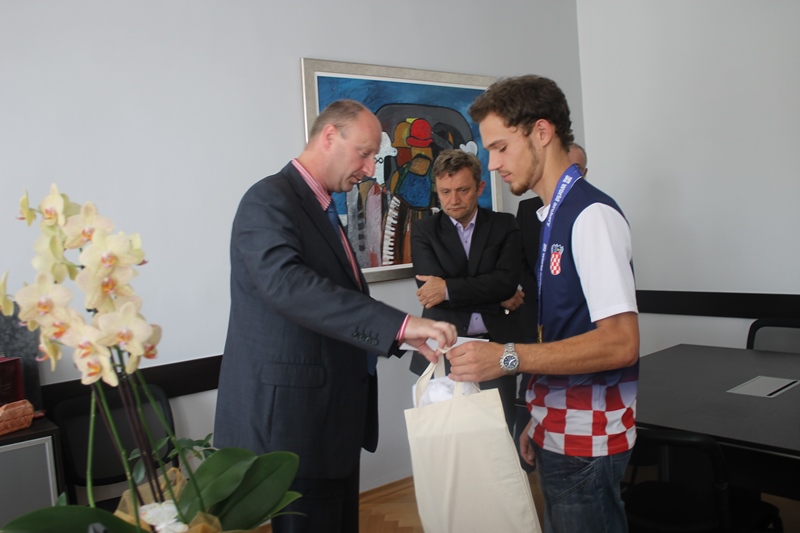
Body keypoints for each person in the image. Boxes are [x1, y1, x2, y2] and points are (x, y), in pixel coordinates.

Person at [214, 99, 457, 533]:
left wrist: (400, 337)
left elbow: (335, 301)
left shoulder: (321, 206)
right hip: (294, 424)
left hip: (330, 419)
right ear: (329, 136)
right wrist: (400, 324)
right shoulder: (268, 199)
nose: (369, 168)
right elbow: (289, 286)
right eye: (364, 153)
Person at [448, 76, 639, 533]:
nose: (493, 164)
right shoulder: (551, 215)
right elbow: (564, 329)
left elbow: (620, 344)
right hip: (560, 427)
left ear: (541, 132)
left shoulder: (590, 216)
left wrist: (506, 358)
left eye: (500, 148)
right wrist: (540, 417)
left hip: (587, 441)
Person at [408, 148, 523, 432]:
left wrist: (448, 288)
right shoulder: (424, 230)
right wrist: (496, 302)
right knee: (449, 439)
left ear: (479, 188)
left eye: (462, 190)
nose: (453, 200)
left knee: (499, 436)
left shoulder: (504, 224)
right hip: (444, 351)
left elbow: (506, 282)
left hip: (496, 347)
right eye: (445, 192)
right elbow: (431, 295)